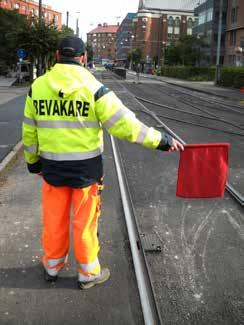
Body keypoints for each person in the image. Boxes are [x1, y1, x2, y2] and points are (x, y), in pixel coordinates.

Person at [22, 36, 183, 290]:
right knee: (85, 223)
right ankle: (87, 274)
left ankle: (52, 267)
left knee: (54, 219)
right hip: (86, 172)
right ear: (83, 57)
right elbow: (126, 125)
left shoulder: (37, 87)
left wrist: (33, 161)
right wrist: (160, 140)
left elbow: (29, 130)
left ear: (56, 56)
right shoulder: (95, 89)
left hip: (51, 169)